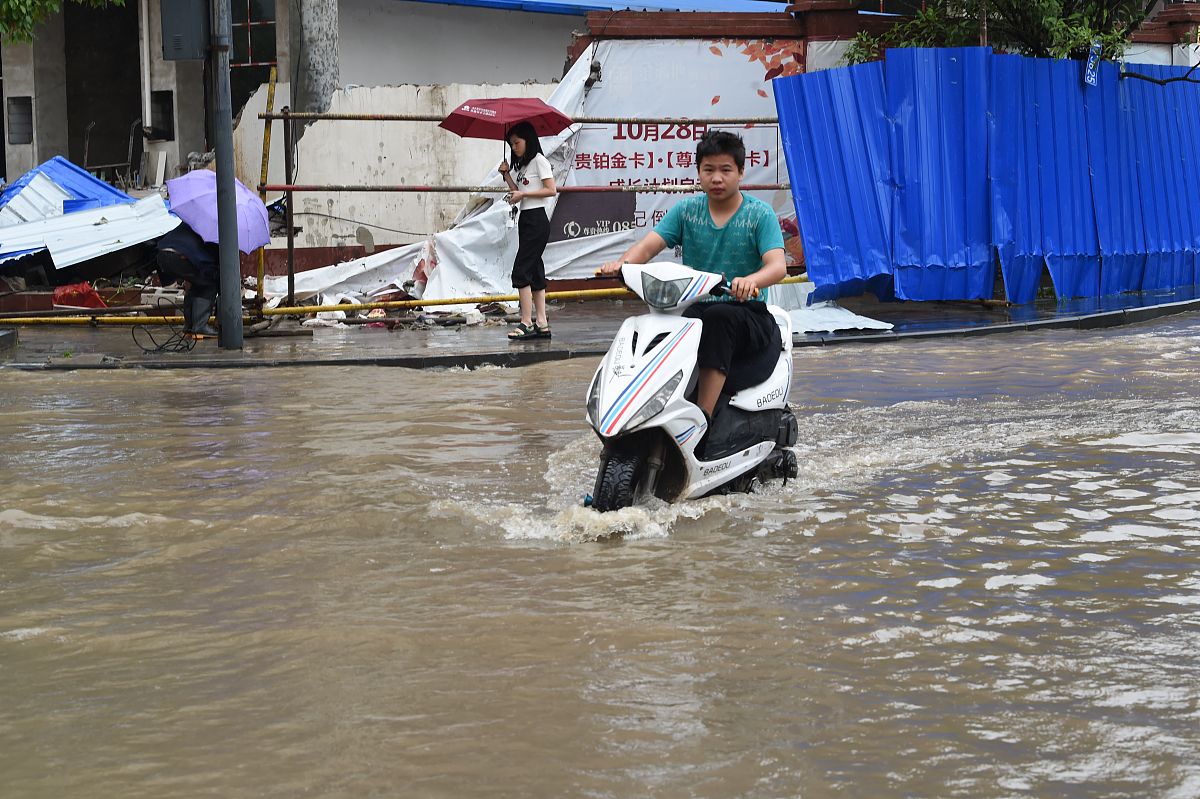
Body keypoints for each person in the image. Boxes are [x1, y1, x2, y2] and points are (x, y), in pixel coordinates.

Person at [599, 130, 786, 421]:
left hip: (748, 311)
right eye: (708, 170)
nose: (716, 178)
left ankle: (702, 418)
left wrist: (751, 281)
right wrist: (621, 266)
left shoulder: (759, 214)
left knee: (719, 317)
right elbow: (648, 247)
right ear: (698, 172)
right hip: (696, 307)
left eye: (726, 170)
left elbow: (777, 266)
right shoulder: (687, 210)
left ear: (741, 172)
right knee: (663, 324)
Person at [498, 120, 558, 341]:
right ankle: (541, 323)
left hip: (537, 220)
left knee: (521, 272)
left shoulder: (539, 160)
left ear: (528, 140)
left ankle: (526, 322)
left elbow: (551, 190)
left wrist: (523, 194)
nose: (514, 147)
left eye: (517, 142)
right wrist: (507, 176)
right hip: (526, 219)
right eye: (511, 144)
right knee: (535, 270)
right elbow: (519, 192)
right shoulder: (524, 165)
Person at [156, 220, 220, 338]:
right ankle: (200, 327)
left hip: (162, 254)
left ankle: (189, 326)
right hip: (180, 256)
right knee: (209, 285)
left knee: (198, 283)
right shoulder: (216, 232)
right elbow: (219, 270)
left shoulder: (195, 219)